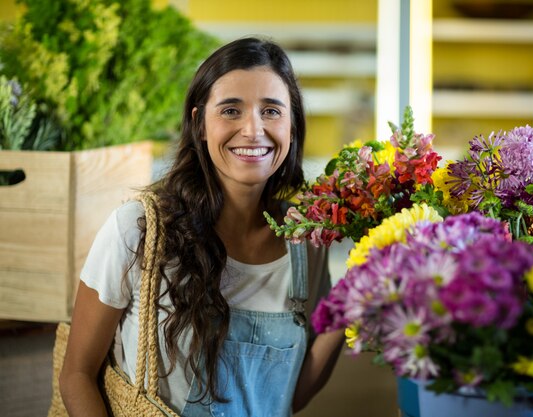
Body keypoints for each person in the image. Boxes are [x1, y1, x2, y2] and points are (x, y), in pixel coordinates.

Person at [59, 37, 345, 417]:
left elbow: (287, 399)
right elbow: (77, 374)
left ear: (292, 128)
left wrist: (350, 308)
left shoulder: (306, 240)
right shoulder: (139, 229)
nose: (253, 130)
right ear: (200, 124)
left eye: (272, 111)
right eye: (231, 110)